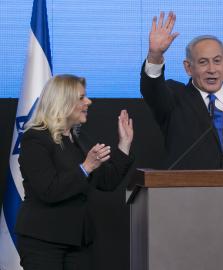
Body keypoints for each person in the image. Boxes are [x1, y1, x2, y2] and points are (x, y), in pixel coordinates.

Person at [15, 74, 134, 270]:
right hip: (43, 240)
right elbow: (49, 190)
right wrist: (86, 167)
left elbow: (107, 182)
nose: (89, 101)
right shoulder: (35, 139)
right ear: (62, 101)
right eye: (81, 97)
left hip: (78, 242)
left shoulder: (79, 139)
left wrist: (124, 145)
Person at [140, 11, 223, 170]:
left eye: (217, 61)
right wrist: (155, 55)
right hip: (187, 192)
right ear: (188, 67)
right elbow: (152, 89)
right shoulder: (174, 97)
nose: (212, 69)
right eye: (203, 62)